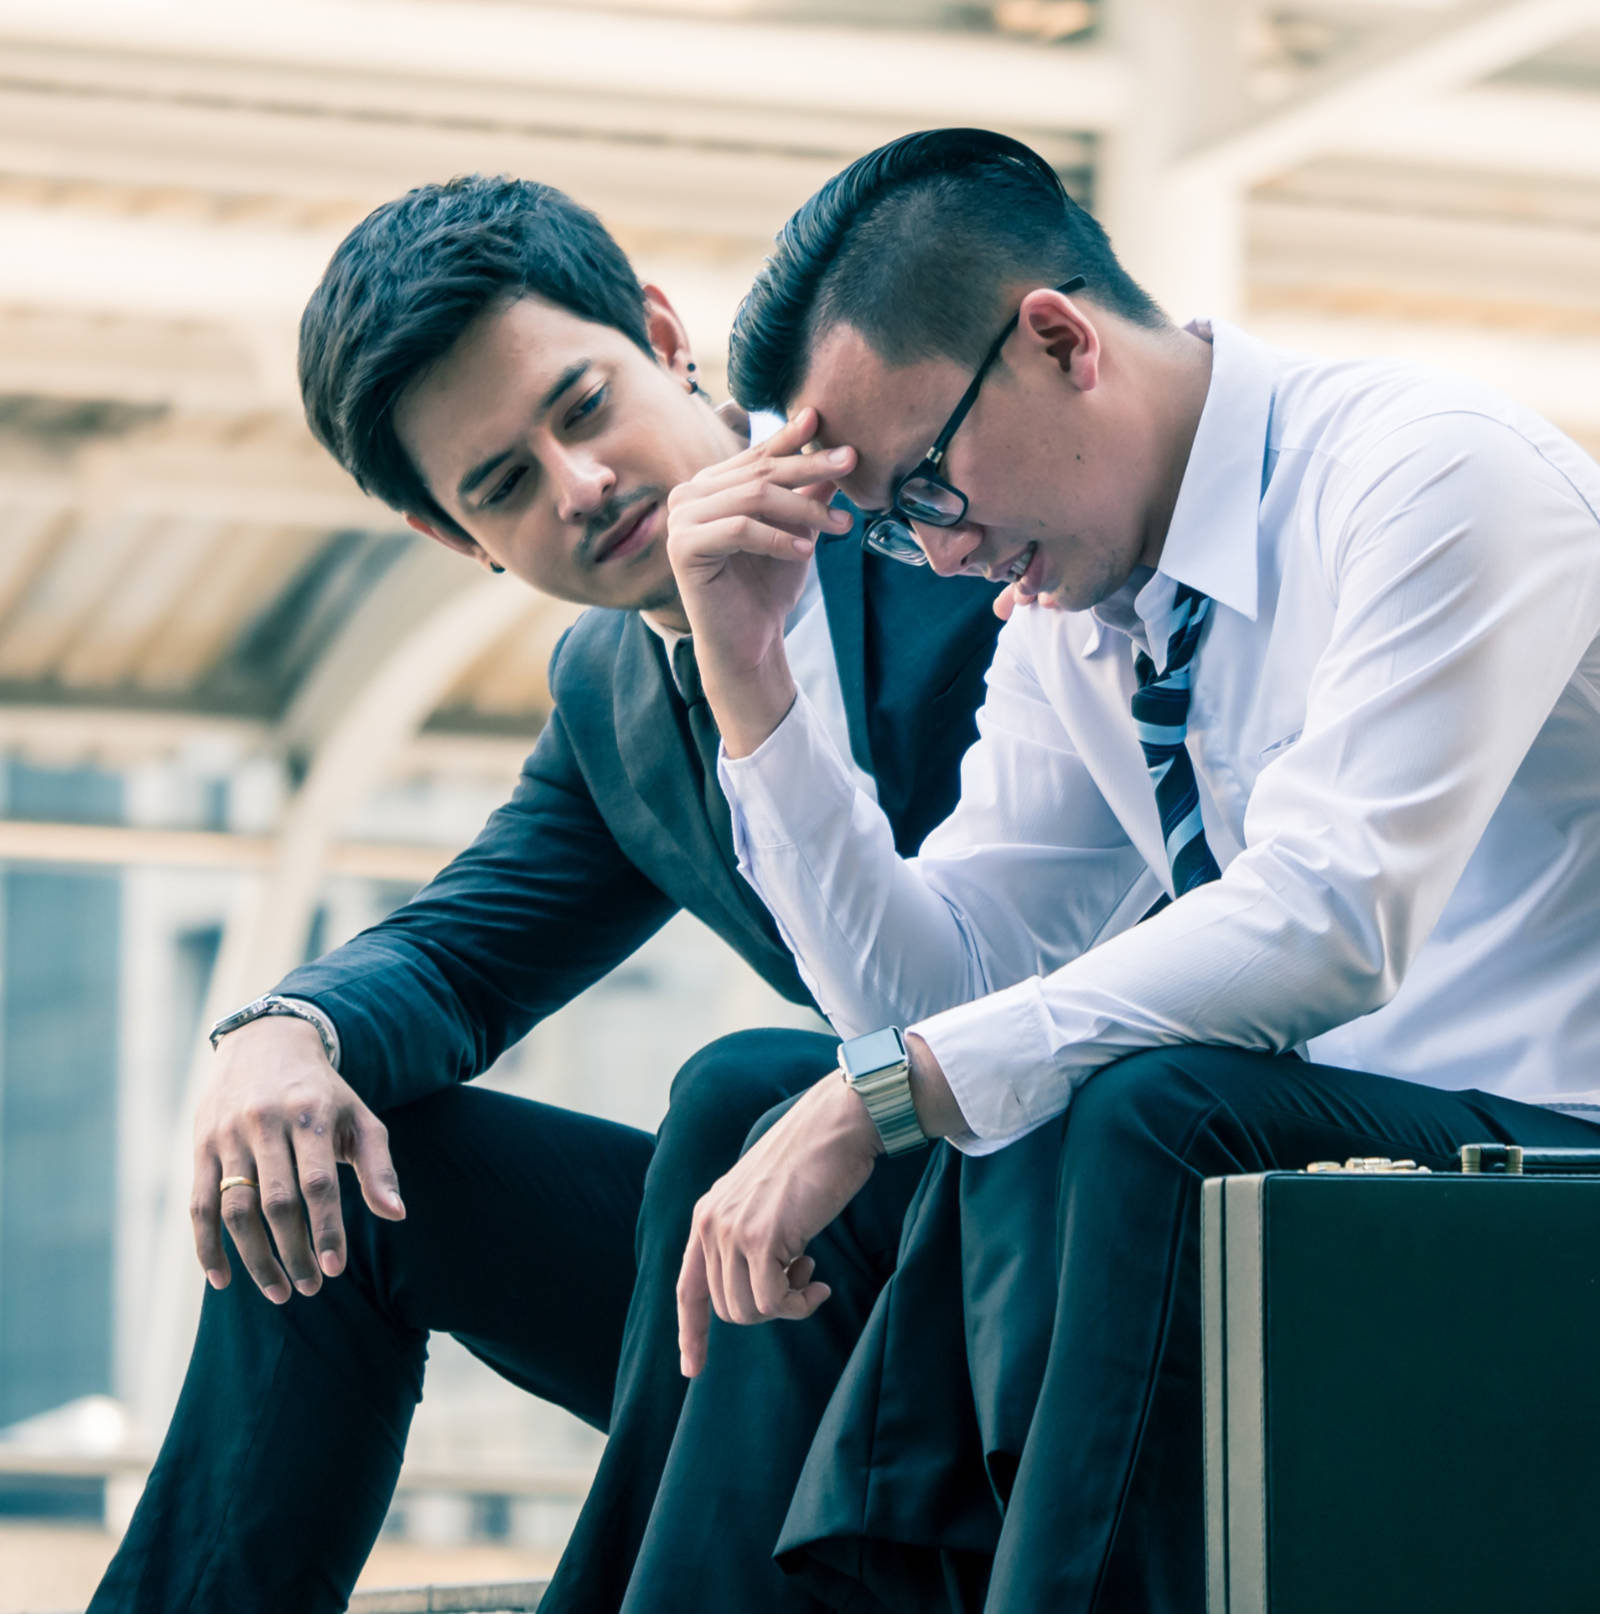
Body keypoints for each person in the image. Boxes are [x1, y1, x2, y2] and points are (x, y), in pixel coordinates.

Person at [659, 128, 1600, 1611]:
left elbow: (1330, 920)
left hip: (1556, 1173)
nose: (937, 557)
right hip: (1354, 1187)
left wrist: (889, 1084)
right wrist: (753, 679)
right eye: (885, 527)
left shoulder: (1432, 477)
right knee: (831, 1089)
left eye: (924, 488)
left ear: (1055, 338)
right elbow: (930, 987)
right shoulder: (1081, 621)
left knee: (1130, 1099)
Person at [88, 174, 1004, 1614]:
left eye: (582, 405)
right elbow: (461, 959)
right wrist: (278, 1034)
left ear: (661, 331)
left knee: (743, 1097)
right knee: (334, 1172)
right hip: (804, 1276)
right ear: (460, 541)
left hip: (1032, 1241)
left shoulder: (939, 515)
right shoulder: (614, 692)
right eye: (503, 484)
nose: (580, 484)